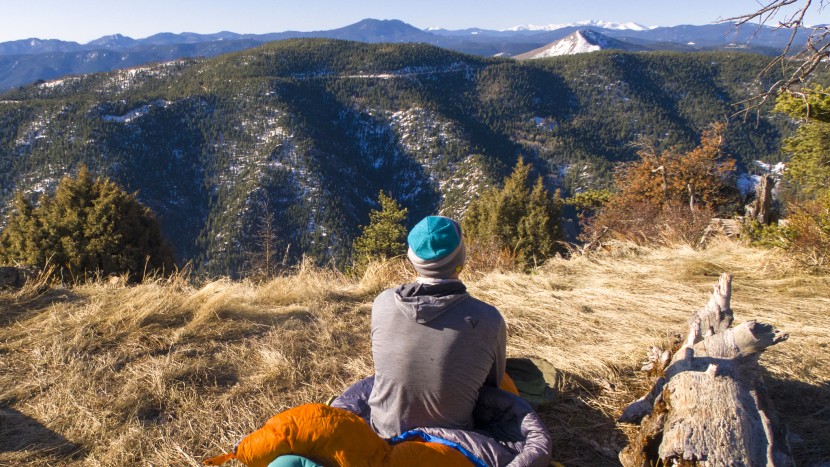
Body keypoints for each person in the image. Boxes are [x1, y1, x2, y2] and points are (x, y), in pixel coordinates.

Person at [368, 215, 507, 438]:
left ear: (412, 258)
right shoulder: (489, 319)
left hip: (385, 430)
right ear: (461, 256)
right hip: (451, 440)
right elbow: (492, 386)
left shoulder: (382, 302)